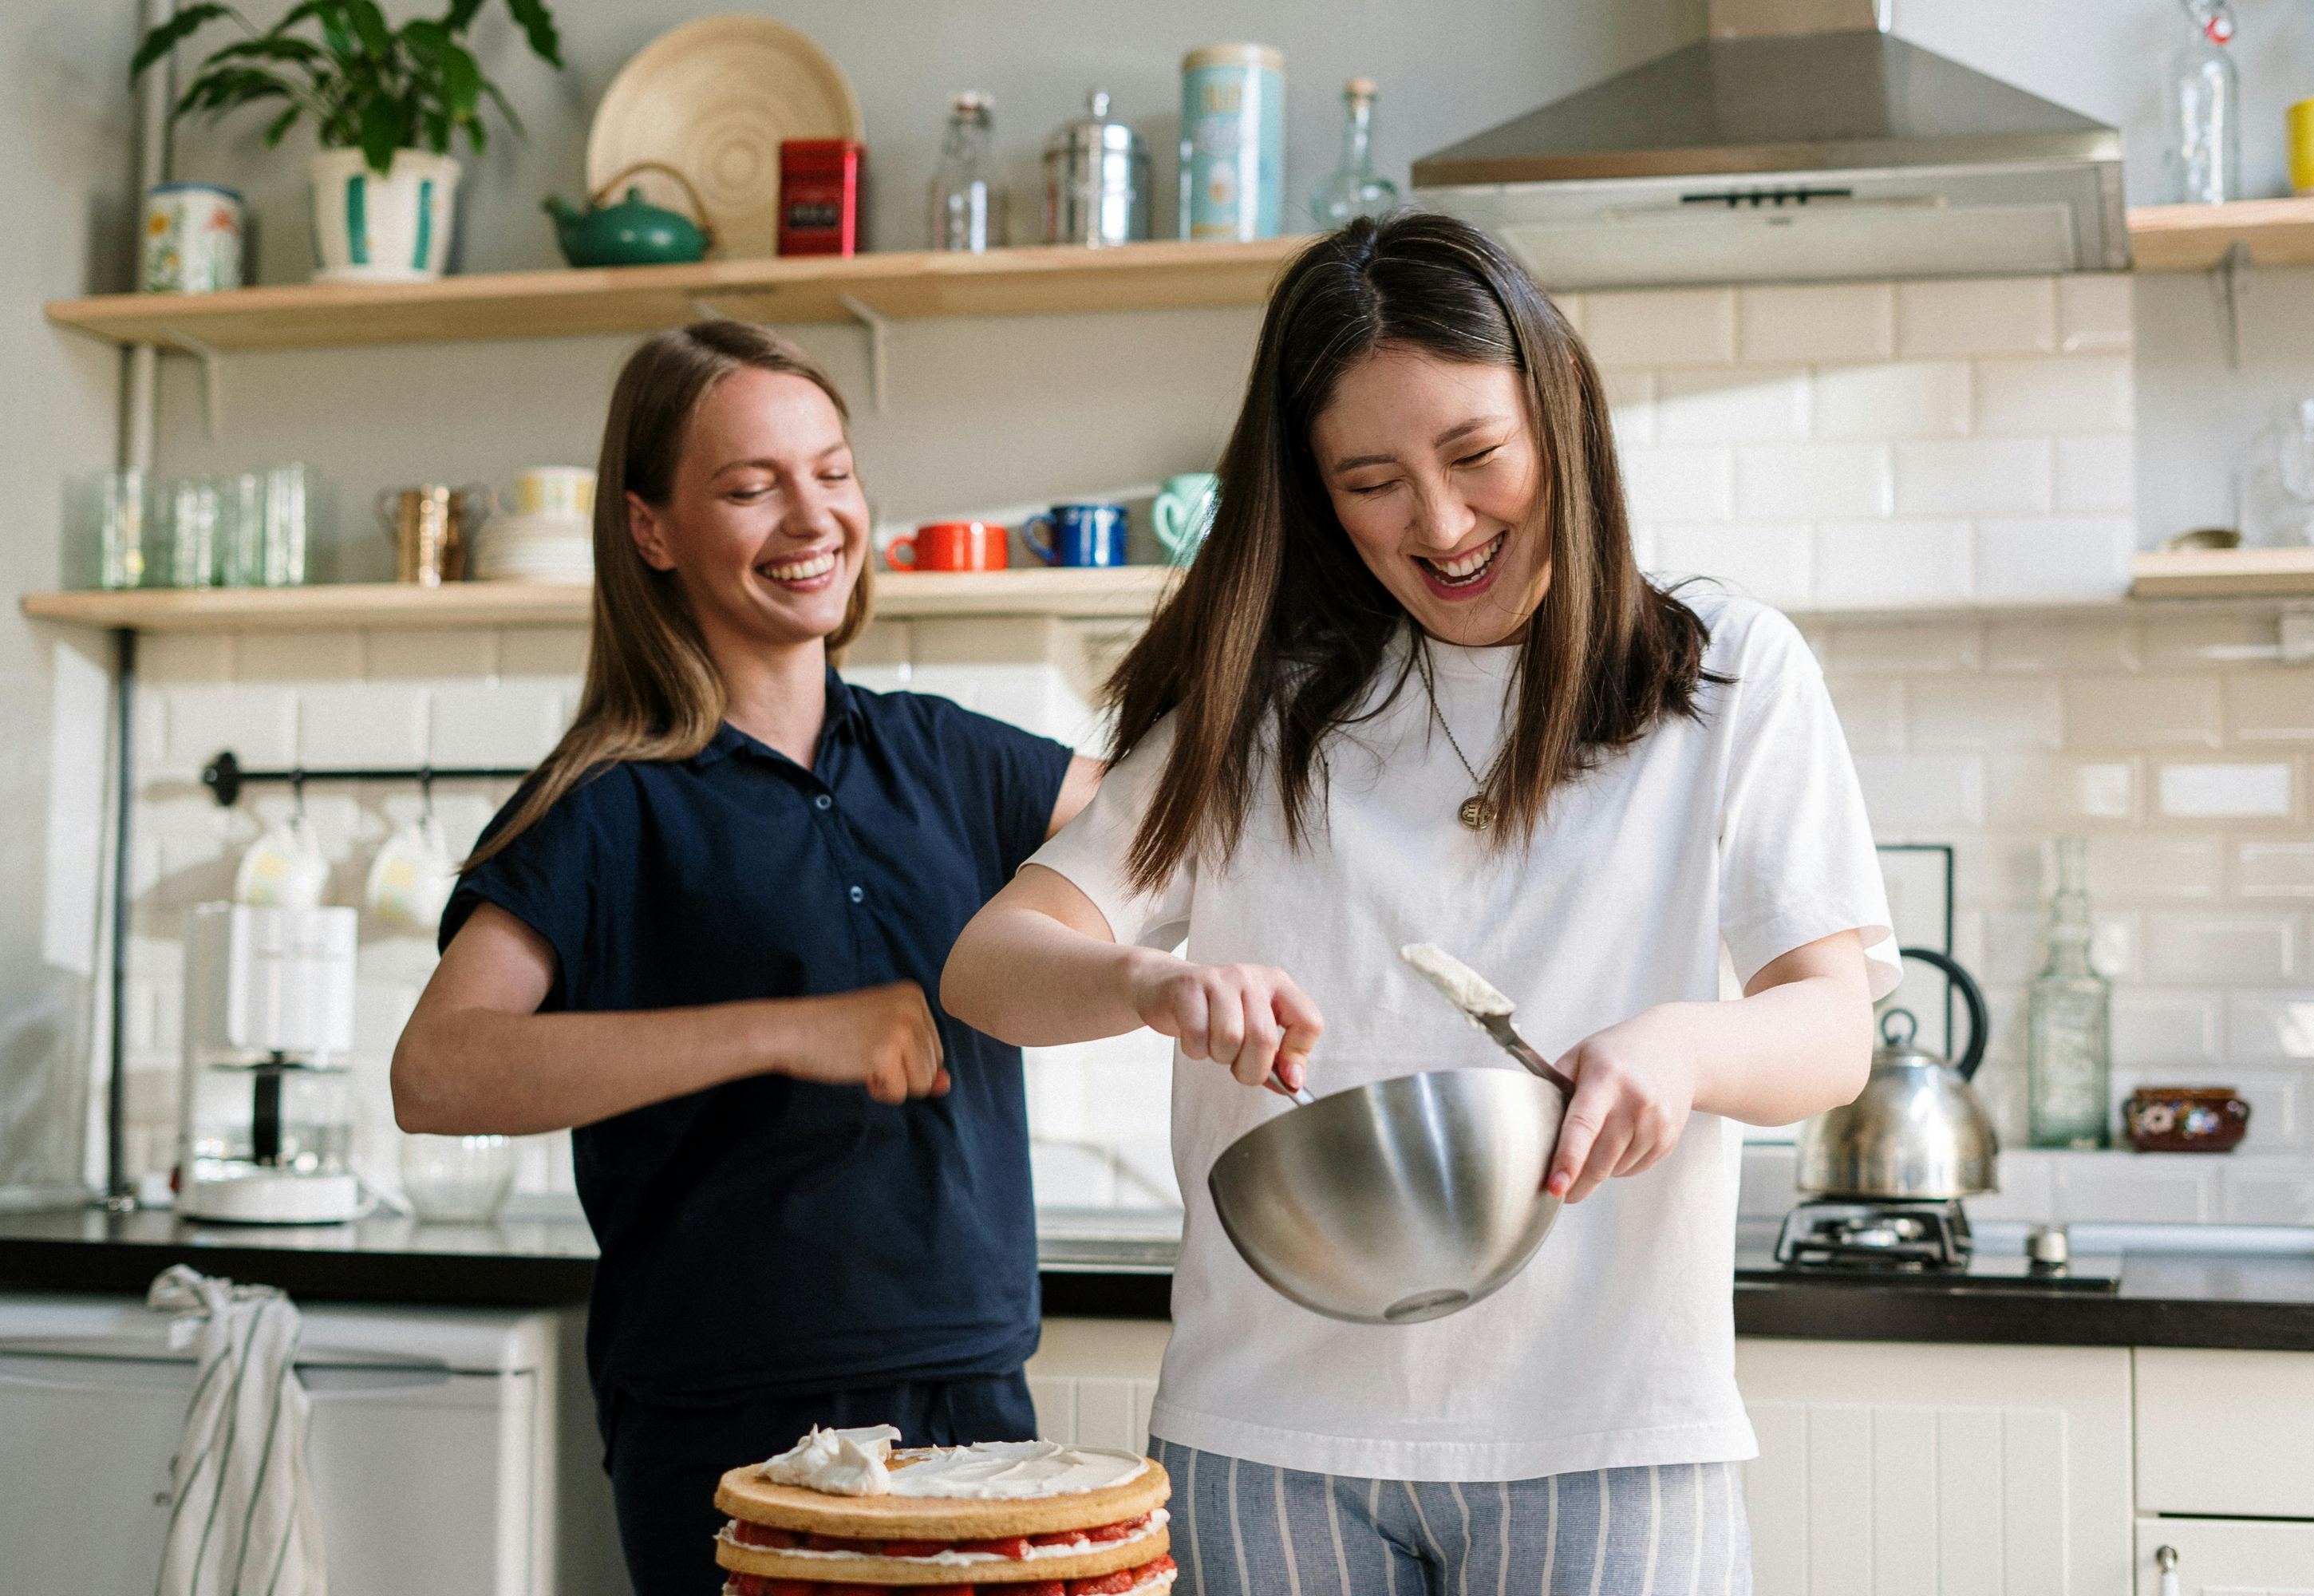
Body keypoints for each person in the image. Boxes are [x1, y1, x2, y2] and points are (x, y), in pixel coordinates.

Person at [941, 213, 1896, 1594]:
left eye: (1474, 456)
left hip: (1612, 1431)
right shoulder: (1261, 711)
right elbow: (991, 965)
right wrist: (1145, 985)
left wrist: (1685, 1046)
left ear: (1557, 417)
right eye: (1373, 481)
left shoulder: (1724, 672)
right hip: (1270, 1435)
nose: (1441, 527)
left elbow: (1832, 1027)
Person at [392, 321, 1100, 1596]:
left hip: (974, 1395)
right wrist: (788, 1027)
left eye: (831, 472)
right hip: (730, 1429)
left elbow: (1189, 826)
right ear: (651, 529)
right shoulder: (602, 805)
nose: (811, 515)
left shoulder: (947, 756)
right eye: (749, 485)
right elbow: (438, 1072)